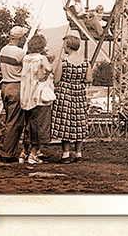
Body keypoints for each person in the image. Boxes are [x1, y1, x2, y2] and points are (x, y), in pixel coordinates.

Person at [51, 35, 93, 163]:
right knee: (79, 122)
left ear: (68, 46)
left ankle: (65, 154)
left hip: (64, 94)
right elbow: (89, 79)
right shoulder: (86, 62)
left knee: (65, 123)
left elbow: (56, 80)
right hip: (79, 93)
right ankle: (79, 153)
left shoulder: (63, 62)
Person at [19, 34, 54, 165]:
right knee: (39, 126)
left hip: (26, 96)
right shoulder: (41, 58)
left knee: (29, 125)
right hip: (39, 96)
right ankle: (33, 154)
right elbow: (49, 69)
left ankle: (24, 152)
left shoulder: (26, 58)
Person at [0, 25, 29, 163]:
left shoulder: (4, 50)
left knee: (9, 119)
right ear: (20, 38)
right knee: (15, 122)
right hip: (16, 86)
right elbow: (27, 68)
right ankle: (7, 153)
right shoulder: (20, 53)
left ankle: (5, 149)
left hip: (5, 85)